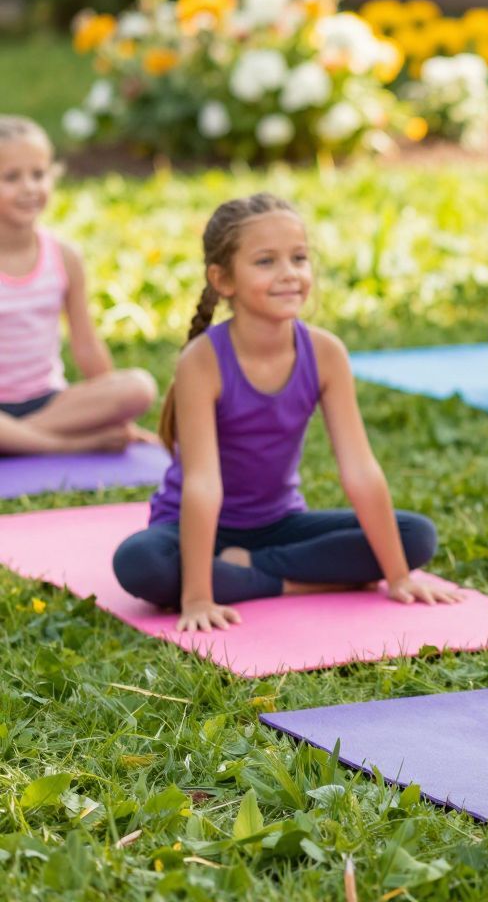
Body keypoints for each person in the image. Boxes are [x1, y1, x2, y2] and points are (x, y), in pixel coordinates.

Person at [113, 193, 458, 632]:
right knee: (141, 564)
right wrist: (198, 598)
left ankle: (252, 571)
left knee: (415, 536)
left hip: (279, 525)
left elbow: (359, 468)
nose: (289, 275)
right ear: (222, 279)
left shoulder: (326, 352)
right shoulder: (202, 361)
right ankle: (298, 581)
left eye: (298, 258)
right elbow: (202, 484)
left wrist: (398, 576)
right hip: (195, 528)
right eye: (266, 262)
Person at [0, 115, 156, 455]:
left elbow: (86, 345)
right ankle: (64, 445)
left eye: (38, 174)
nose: (30, 187)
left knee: (139, 387)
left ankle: (19, 440)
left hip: (52, 404)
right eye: (11, 177)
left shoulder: (64, 257)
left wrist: (119, 415)